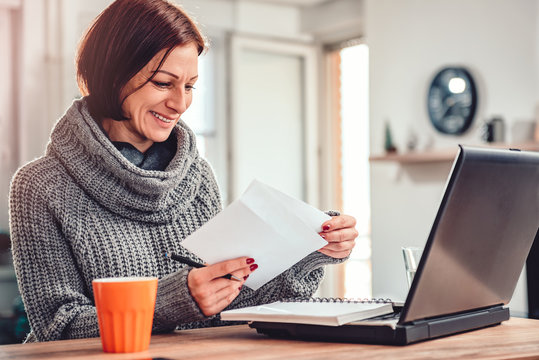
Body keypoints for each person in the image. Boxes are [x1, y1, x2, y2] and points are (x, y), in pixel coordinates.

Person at [9, 0, 358, 342]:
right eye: (163, 82)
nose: (179, 103)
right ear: (112, 74)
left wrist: (307, 250)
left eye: (189, 86)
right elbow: (59, 328)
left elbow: (226, 304)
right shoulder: (41, 186)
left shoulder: (197, 177)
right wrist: (177, 299)